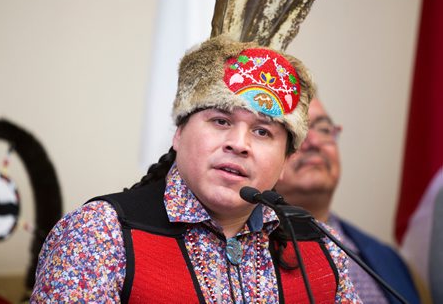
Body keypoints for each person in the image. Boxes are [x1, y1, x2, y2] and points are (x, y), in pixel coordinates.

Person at [31, 36, 361, 303]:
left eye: (262, 131)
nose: (239, 143)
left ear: (286, 160)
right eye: (221, 121)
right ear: (178, 133)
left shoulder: (319, 247)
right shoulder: (100, 234)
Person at [275, 97, 420, 304]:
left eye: (323, 129)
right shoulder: (245, 258)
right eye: (298, 131)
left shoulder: (388, 259)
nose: (314, 142)